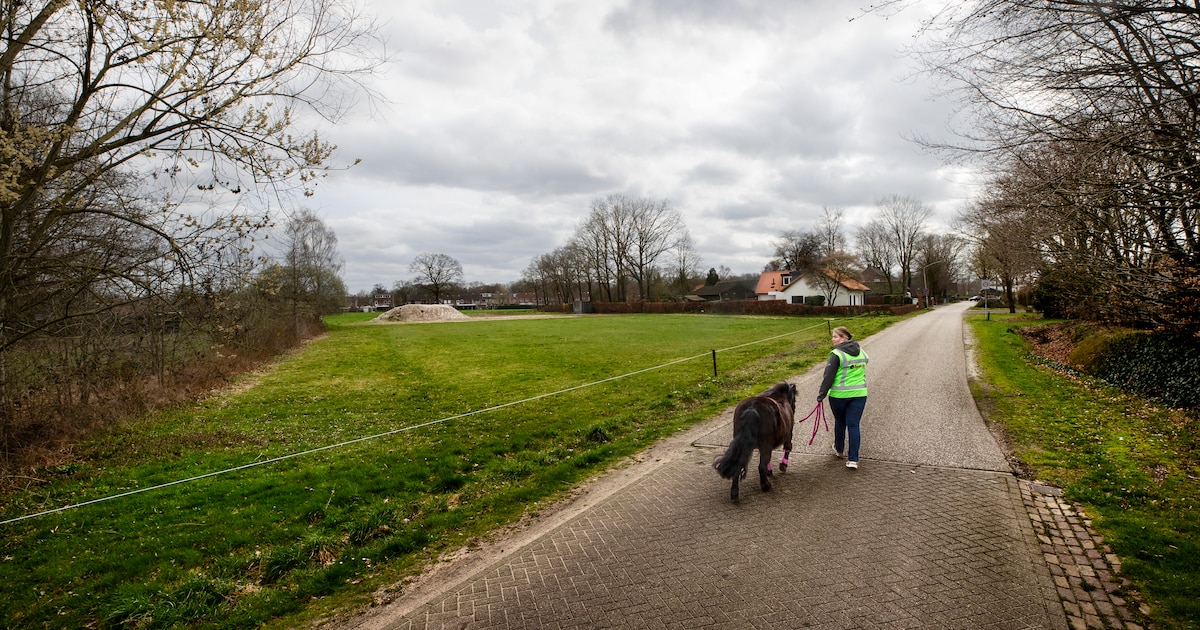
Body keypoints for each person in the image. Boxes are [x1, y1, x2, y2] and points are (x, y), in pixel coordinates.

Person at [817, 325, 869, 469]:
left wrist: (821, 395)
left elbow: (828, 377)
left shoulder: (837, 354)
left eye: (835, 336)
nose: (833, 339)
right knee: (854, 425)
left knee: (840, 421)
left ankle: (839, 450)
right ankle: (853, 459)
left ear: (844, 338)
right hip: (859, 394)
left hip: (839, 395)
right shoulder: (862, 352)